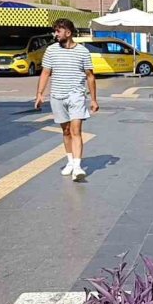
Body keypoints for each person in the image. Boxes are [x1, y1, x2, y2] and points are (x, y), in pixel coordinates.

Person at [34, 18, 98, 182]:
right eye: (55, 31)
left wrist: (93, 99)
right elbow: (45, 73)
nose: (55, 34)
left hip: (76, 95)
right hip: (57, 96)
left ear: (68, 33)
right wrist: (40, 94)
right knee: (66, 131)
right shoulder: (51, 51)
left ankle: (77, 167)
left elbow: (90, 76)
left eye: (58, 31)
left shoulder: (82, 52)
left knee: (76, 130)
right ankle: (70, 161)